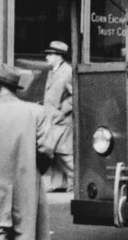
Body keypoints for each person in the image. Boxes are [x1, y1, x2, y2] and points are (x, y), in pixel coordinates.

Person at [0, 64, 54, 240]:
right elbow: (46, 151)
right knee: (26, 232)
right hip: (27, 184)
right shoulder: (37, 112)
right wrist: (31, 167)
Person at [42, 40, 74, 192]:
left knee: (63, 152)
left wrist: (63, 110)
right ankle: (58, 183)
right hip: (53, 119)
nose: (47, 57)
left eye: (50, 54)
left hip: (62, 121)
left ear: (59, 57)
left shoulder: (68, 72)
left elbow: (76, 95)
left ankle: (75, 180)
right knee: (55, 152)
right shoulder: (52, 71)